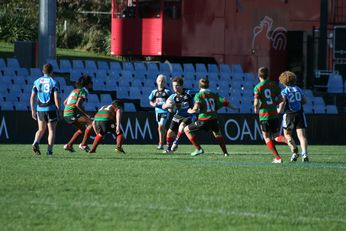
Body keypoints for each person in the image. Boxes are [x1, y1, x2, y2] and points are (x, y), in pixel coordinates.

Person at [184, 78, 238, 156]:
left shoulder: (198, 95)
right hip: (213, 119)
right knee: (217, 134)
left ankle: (199, 149)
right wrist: (235, 108)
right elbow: (225, 102)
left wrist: (190, 110)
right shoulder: (213, 94)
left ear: (199, 86)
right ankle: (225, 152)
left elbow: (196, 108)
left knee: (186, 130)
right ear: (208, 85)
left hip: (204, 119)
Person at [253, 67, 289, 164]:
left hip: (264, 114)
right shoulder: (274, 85)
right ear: (268, 75)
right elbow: (281, 99)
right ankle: (289, 142)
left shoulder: (257, 87)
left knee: (266, 137)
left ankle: (277, 158)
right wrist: (274, 104)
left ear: (258, 76)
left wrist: (255, 108)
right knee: (276, 136)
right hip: (274, 113)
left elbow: (256, 103)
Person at [277, 71, 309, 162]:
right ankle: (305, 154)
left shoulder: (284, 91)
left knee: (287, 134)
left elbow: (282, 103)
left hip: (288, 115)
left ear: (283, 81)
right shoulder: (298, 89)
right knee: (302, 136)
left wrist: (278, 110)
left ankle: (294, 151)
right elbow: (305, 101)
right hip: (300, 113)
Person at [30, 63, 61, 155]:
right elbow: (56, 97)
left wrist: (33, 110)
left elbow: (32, 97)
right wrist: (59, 109)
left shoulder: (36, 81)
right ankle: (49, 150)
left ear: (43, 71)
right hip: (51, 109)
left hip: (40, 109)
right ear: (52, 72)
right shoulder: (54, 82)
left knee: (41, 129)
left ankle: (36, 142)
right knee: (51, 130)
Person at [162, 77, 194, 153]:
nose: (175, 87)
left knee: (182, 126)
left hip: (189, 115)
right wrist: (167, 105)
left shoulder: (189, 93)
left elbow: (200, 93)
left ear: (181, 86)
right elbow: (163, 106)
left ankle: (175, 142)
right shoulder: (173, 96)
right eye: (173, 86)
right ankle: (169, 149)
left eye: (177, 85)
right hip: (178, 115)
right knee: (169, 132)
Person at [63, 75, 93, 152]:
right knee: (91, 123)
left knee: (83, 129)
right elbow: (77, 104)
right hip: (71, 113)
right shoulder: (83, 91)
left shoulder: (74, 90)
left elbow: (65, 102)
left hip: (67, 113)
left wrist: (70, 109)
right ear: (87, 84)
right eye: (91, 82)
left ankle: (69, 145)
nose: (91, 84)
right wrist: (86, 114)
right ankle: (83, 144)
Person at [148, 74, 171, 150]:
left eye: (162, 81)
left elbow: (172, 101)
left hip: (165, 111)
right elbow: (150, 101)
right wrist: (153, 104)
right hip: (157, 112)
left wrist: (167, 105)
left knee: (161, 126)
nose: (161, 82)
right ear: (156, 82)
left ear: (165, 82)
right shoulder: (154, 92)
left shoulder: (167, 92)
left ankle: (161, 143)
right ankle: (169, 138)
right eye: (159, 80)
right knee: (162, 128)